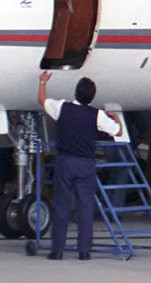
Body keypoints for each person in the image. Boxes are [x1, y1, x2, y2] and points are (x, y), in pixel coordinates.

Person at [37, 70, 124, 261]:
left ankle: (57, 250)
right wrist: (115, 117)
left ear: (75, 93)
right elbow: (118, 132)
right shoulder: (97, 115)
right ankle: (84, 251)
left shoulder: (62, 108)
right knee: (85, 208)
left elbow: (42, 100)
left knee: (61, 206)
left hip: (65, 161)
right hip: (86, 164)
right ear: (92, 96)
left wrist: (43, 82)